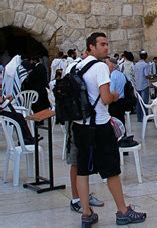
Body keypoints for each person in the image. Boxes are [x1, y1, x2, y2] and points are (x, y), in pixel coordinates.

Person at [72, 32, 146, 226]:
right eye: (102, 44)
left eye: (107, 44)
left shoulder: (75, 66)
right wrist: (114, 95)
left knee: (82, 170)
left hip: (80, 126)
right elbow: (105, 98)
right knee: (111, 169)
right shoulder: (100, 68)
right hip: (100, 126)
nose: (106, 48)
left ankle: (86, 214)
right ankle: (123, 211)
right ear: (91, 47)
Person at [63, 51, 104, 216]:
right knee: (76, 161)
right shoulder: (75, 68)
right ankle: (76, 199)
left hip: (82, 120)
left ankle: (82, 196)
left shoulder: (79, 68)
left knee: (81, 160)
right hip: (77, 121)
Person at [105, 57, 128, 136]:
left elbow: (111, 91)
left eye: (107, 64)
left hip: (115, 102)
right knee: (121, 121)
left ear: (111, 66)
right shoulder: (121, 74)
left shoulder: (113, 76)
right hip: (122, 101)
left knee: (115, 123)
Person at [134, 50, 151, 122]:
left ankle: (139, 117)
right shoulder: (145, 65)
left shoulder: (136, 64)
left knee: (139, 102)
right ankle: (144, 117)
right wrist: (150, 76)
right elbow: (146, 75)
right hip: (144, 85)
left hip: (138, 85)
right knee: (144, 102)